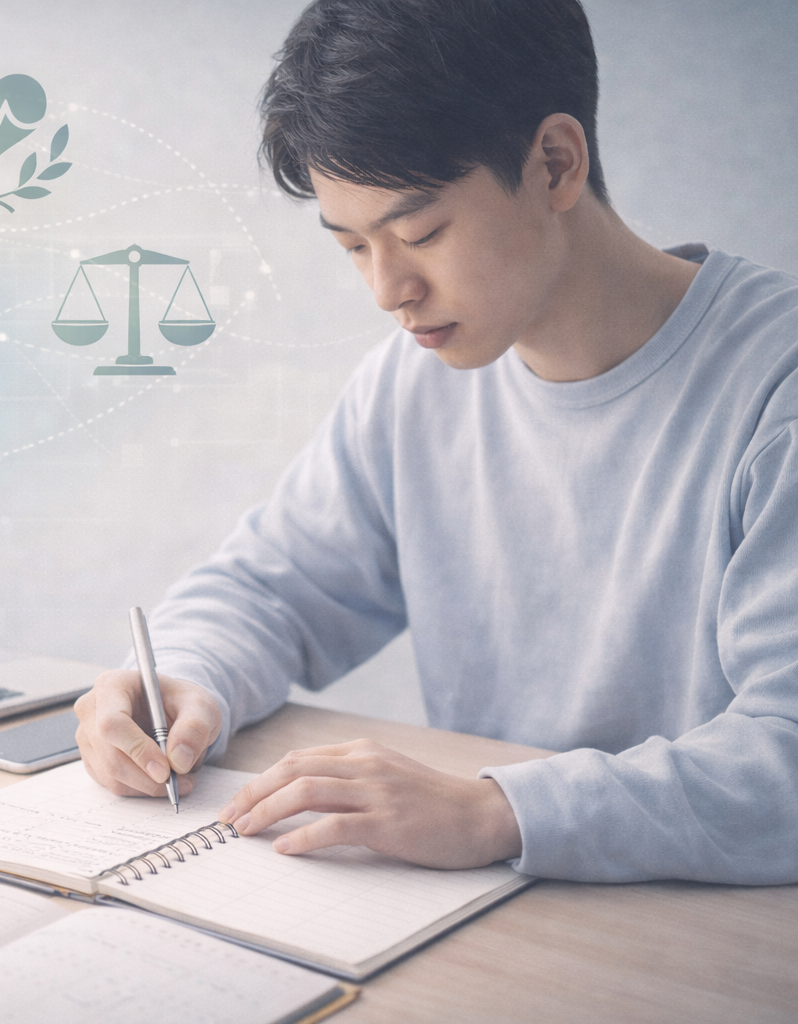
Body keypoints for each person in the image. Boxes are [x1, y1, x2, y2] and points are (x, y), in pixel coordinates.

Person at [74, 0, 798, 884]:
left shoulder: (774, 393)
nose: (389, 289)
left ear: (555, 164)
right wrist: (183, 679)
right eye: (352, 246)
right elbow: (277, 588)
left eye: (419, 233)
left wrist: (498, 810)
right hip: (490, 912)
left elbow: (786, 755)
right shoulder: (413, 384)